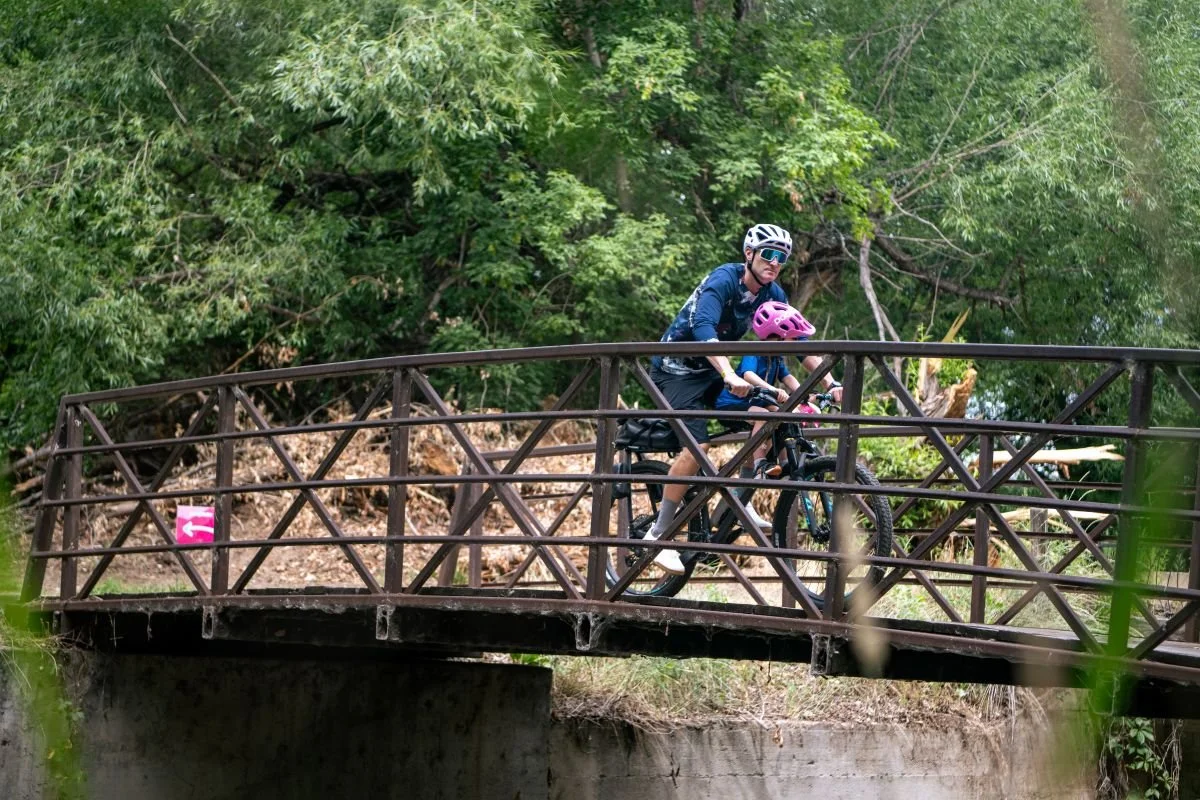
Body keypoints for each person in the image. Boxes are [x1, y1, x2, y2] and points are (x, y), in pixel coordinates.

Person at [644, 224, 843, 575]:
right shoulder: (722, 280)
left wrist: (830, 381)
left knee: (768, 410)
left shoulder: (772, 292)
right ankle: (657, 535)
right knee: (697, 447)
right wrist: (728, 374)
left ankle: (740, 496)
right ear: (749, 254)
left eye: (782, 257)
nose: (775, 262)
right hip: (675, 371)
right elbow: (702, 327)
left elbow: (793, 337)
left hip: (713, 372)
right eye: (768, 254)